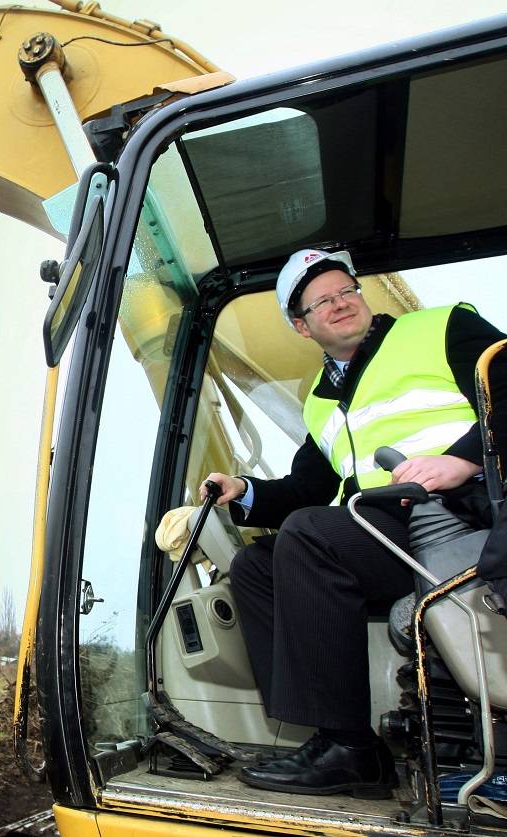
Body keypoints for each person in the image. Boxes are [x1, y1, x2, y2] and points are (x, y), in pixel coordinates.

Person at [200, 248, 507, 799]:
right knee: (254, 565)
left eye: (347, 291)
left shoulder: (441, 329)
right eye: (322, 301)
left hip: (455, 520)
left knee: (311, 534)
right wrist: (243, 492)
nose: (340, 304)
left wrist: (464, 458)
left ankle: (352, 753)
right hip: (380, 531)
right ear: (302, 325)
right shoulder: (321, 403)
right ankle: (328, 733)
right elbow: (305, 491)